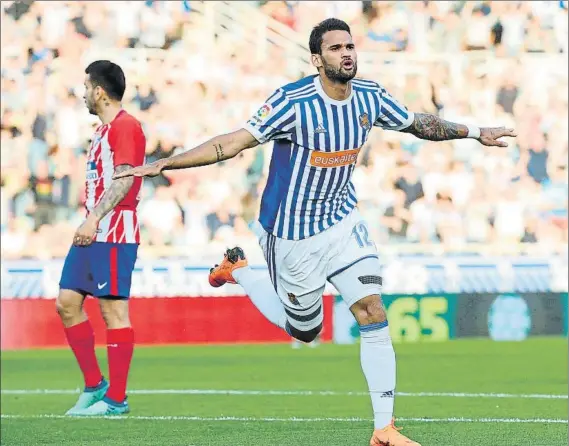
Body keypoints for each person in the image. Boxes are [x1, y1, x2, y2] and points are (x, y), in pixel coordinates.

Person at [115, 19, 516, 446]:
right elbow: (233, 143)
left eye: (350, 46)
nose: (347, 53)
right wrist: (165, 164)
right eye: (336, 48)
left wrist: (476, 132)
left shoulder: (370, 96)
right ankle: (242, 272)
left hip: (342, 220)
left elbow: (419, 123)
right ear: (316, 60)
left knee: (372, 310)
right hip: (291, 234)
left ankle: (384, 429)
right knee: (305, 331)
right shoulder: (292, 101)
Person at [56, 60, 146, 416]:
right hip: (92, 231)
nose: (82, 94)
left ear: (99, 91)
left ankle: (117, 400)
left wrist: (93, 218)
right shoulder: (101, 131)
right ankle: (95, 385)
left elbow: (124, 179)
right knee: (66, 302)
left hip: (113, 232)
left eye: (85, 87)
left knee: (113, 311)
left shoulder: (127, 127)